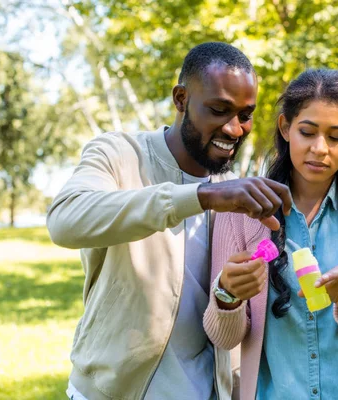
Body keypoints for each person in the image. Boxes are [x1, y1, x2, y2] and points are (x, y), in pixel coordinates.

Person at [47, 42, 292, 400]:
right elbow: (65, 221)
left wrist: (231, 293)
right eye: (219, 110)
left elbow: (231, 321)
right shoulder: (119, 154)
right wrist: (200, 198)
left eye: (245, 114)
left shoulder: (235, 192)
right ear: (181, 99)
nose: (235, 129)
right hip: (111, 392)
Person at [203, 69, 338, 400]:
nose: (320, 149)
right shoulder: (240, 213)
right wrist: (227, 295)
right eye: (307, 132)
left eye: (335, 136)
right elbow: (224, 338)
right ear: (286, 128)